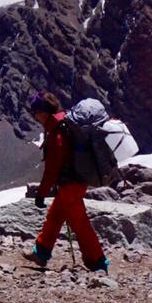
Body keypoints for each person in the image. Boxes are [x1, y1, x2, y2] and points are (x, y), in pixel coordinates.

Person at [23, 92, 109, 272]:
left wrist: (41, 193)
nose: (35, 116)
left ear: (44, 112)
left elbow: (52, 169)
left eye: (36, 112)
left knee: (80, 223)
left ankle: (98, 261)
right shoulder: (63, 122)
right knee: (55, 216)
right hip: (74, 183)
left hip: (71, 185)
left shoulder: (57, 133)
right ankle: (41, 252)